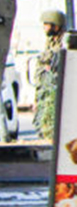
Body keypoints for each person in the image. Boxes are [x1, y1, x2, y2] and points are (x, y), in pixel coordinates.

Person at [36, 10, 67, 142]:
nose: (45, 28)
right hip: (45, 88)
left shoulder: (64, 42)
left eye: (47, 25)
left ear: (56, 26)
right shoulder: (50, 42)